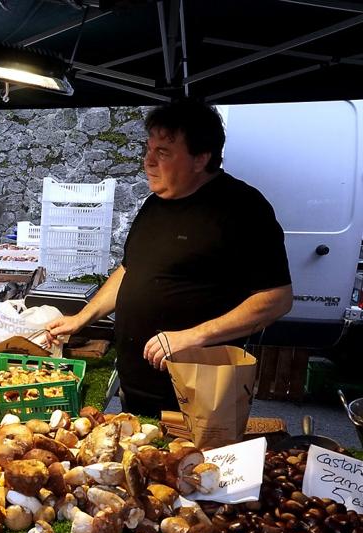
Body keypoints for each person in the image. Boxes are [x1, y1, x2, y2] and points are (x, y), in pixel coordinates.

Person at [46, 99, 293, 417]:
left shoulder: (244, 209)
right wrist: (83, 317)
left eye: (163, 152)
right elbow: (130, 269)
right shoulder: (155, 204)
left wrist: (194, 335)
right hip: (136, 389)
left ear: (201, 158)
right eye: (149, 150)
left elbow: (277, 298)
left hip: (198, 395)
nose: (148, 162)